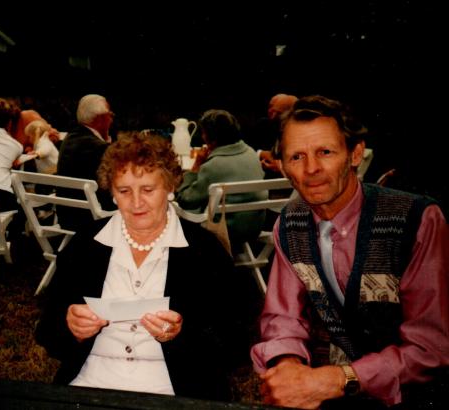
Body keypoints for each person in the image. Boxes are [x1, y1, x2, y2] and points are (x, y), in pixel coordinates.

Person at [250, 95, 449, 409]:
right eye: (296, 156)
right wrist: (288, 365)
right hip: (325, 398)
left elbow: (430, 348)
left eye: (325, 152)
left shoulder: (416, 220)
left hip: (411, 397)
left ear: (355, 154)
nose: (311, 169)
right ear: (283, 165)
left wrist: (337, 378)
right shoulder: (289, 224)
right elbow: (281, 318)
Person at [35, 131, 249, 400]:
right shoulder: (86, 244)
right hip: (91, 382)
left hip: (174, 390)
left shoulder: (204, 251)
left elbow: (234, 343)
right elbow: (47, 332)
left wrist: (181, 336)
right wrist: (72, 329)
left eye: (148, 189)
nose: (136, 203)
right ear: (111, 192)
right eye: (124, 191)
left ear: (170, 187)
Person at [176, 109, 267, 249]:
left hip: (225, 231)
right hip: (253, 228)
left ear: (209, 137)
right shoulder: (251, 153)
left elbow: (186, 200)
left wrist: (196, 166)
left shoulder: (213, 166)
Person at [56, 93, 116, 232]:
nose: (111, 119)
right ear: (101, 118)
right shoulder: (98, 147)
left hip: (67, 216)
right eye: (110, 114)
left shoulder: (70, 138)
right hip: (90, 220)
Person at [252, 93, 298, 174]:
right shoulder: (263, 125)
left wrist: (281, 168)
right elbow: (248, 149)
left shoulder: (303, 131)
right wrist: (261, 154)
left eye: (278, 112)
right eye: (270, 107)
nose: (271, 112)